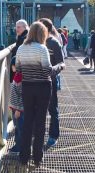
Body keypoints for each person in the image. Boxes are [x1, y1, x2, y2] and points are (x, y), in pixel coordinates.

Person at [16, 22, 64, 167]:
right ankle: (37, 157)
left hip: (27, 88)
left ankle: (24, 157)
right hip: (43, 88)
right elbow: (47, 71)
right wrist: (60, 66)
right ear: (42, 34)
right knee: (40, 122)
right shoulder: (42, 48)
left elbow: (18, 69)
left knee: (28, 120)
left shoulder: (21, 48)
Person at [39, 18, 65, 148]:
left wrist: (52, 71)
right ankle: (37, 136)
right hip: (36, 81)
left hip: (50, 81)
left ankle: (53, 136)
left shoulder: (54, 43)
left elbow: (62, 62)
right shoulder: (36, 42)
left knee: (52, 109)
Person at [9, 70, 24, 153]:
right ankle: (17, 146)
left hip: (19, 110)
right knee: (17, 128)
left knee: (21, 128)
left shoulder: (22, 75)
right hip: (15, 108)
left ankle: (22, 148)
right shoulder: (18, 74)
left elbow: (23, 94)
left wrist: (18, 109)